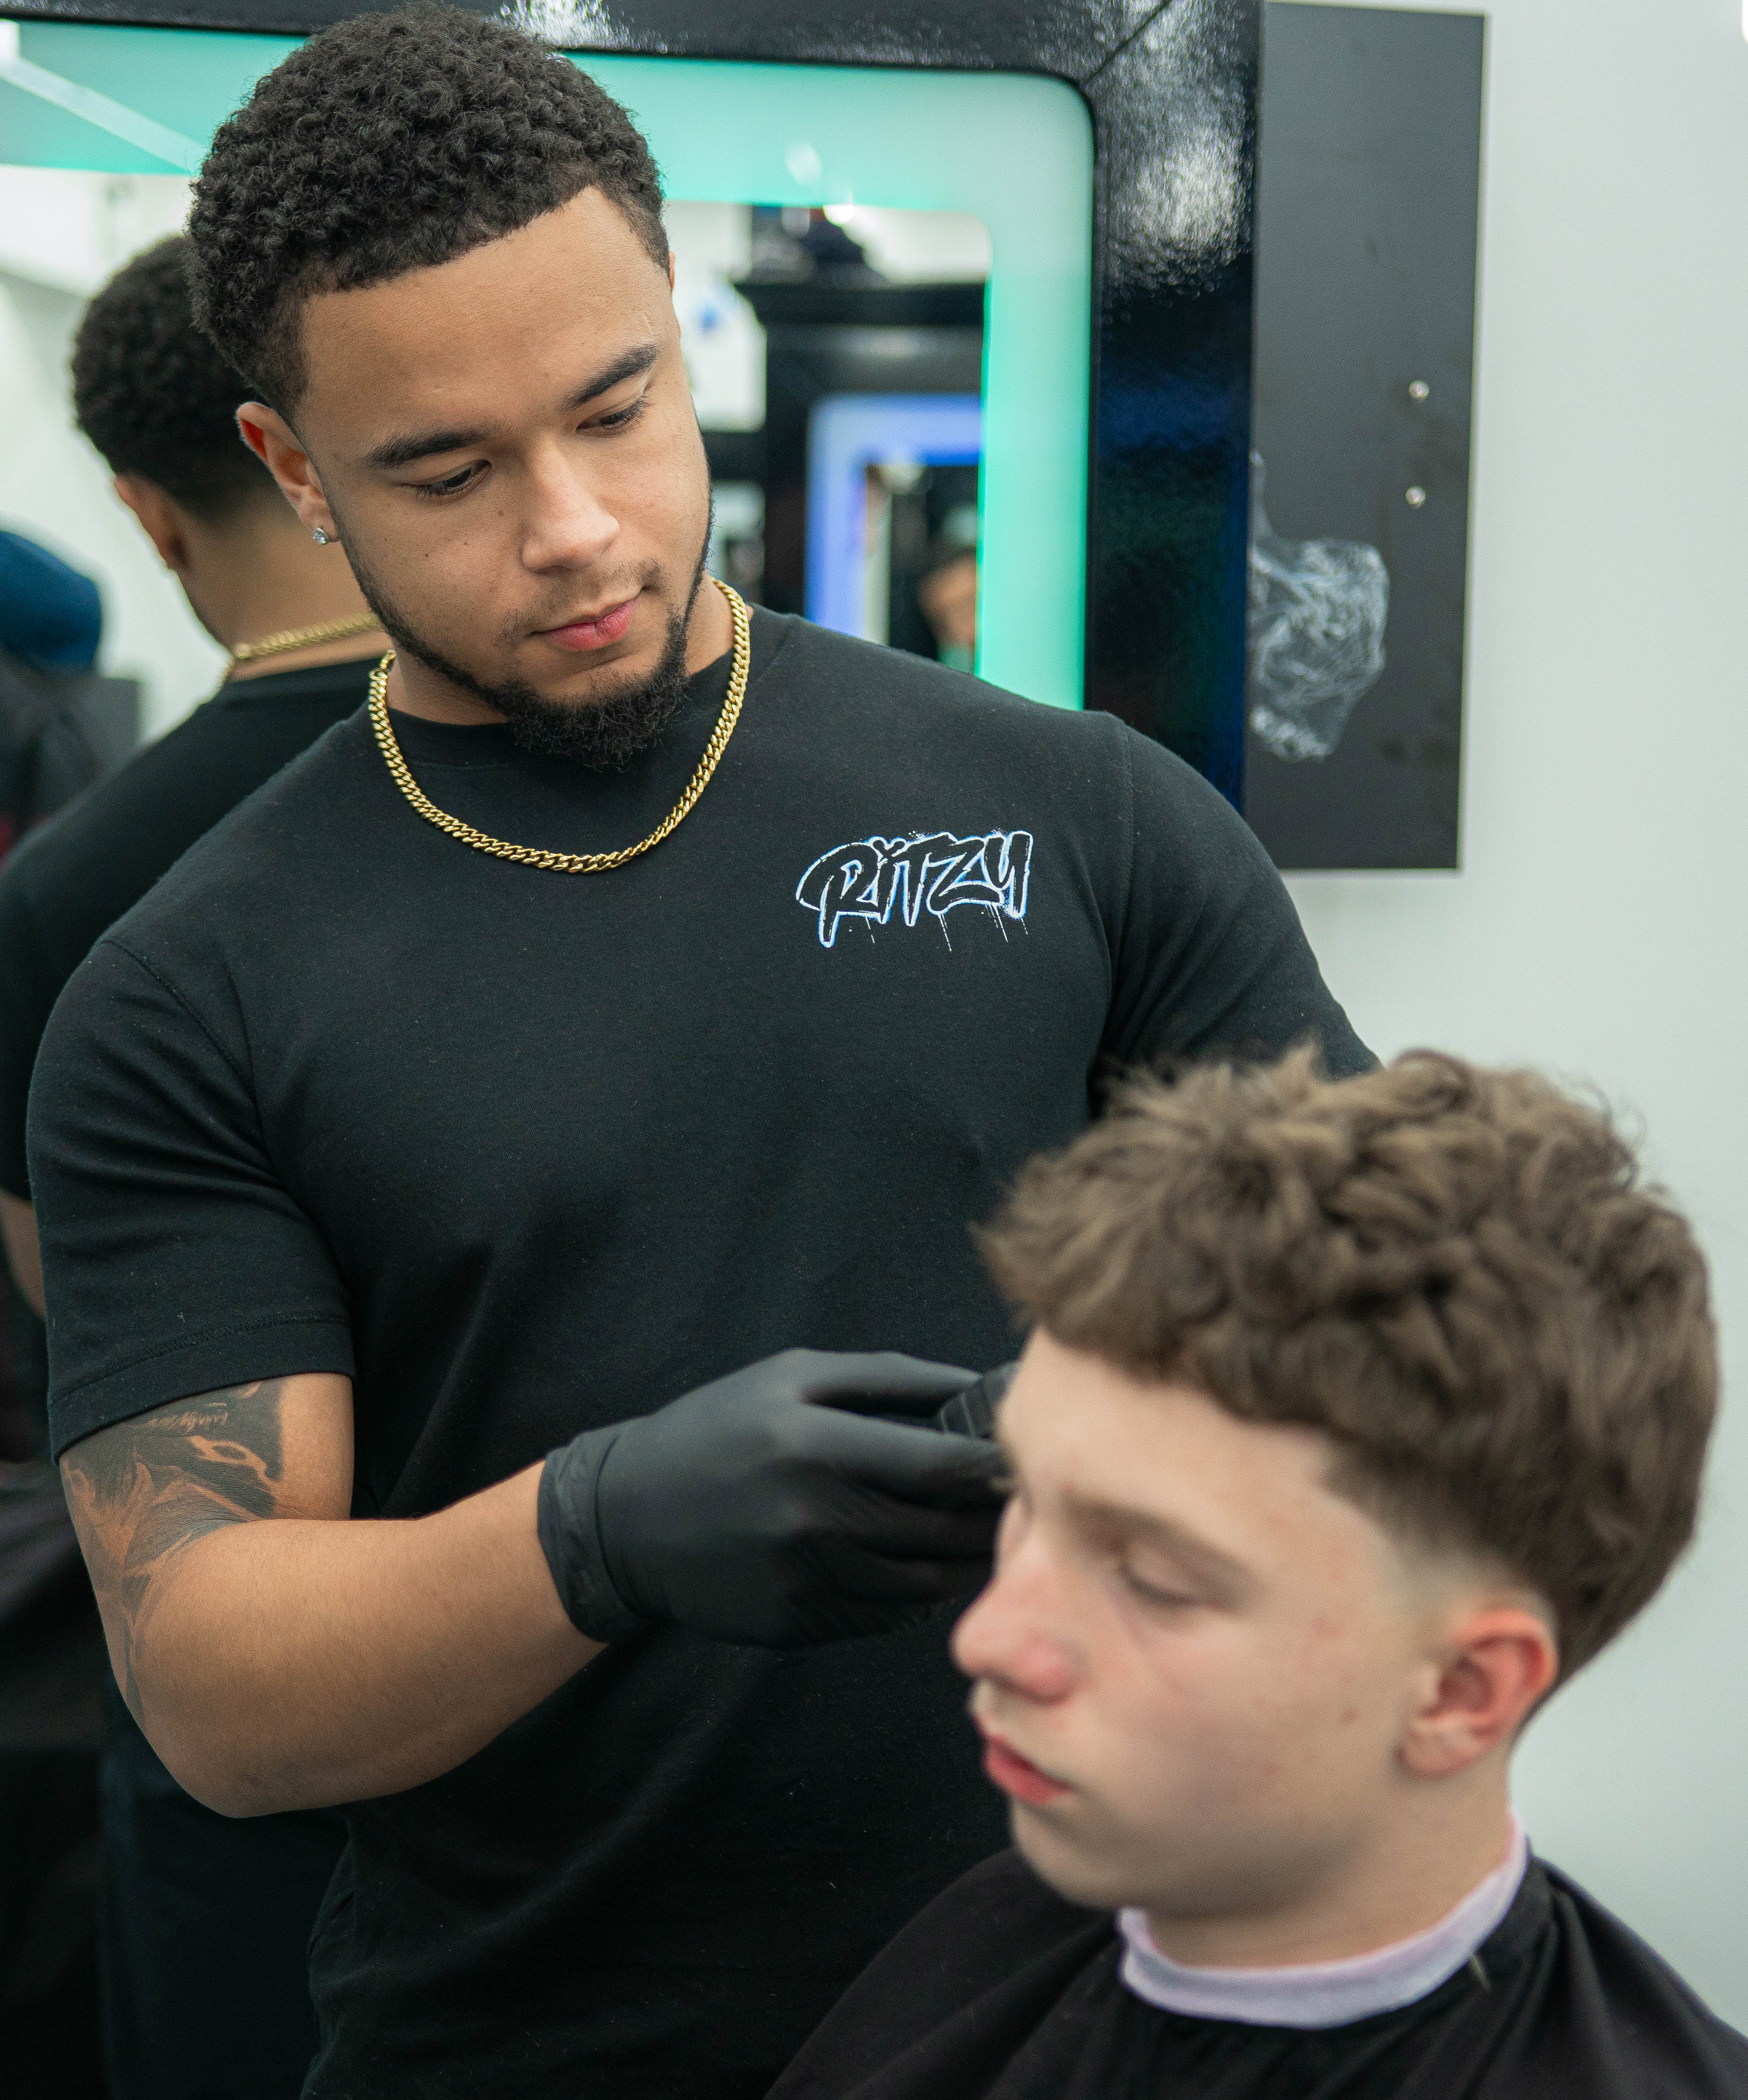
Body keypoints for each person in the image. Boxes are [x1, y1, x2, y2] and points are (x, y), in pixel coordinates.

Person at [31, 10, 1370, 2096]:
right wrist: (596, 1527)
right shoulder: (186, 994)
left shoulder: (1077, 819)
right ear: (293, 471)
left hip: (1088, 2018)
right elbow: (214, 1677)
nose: (572, 526)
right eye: (448, 469)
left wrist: (1167, 1416)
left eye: (617, 405)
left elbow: (1403, 1331)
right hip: (527, 2042)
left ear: (677, 323)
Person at [769, 1048, 1748, 2100]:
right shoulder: (961, 1959)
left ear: (1462, 1689)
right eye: (1020, 1500)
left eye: (1149, 1576)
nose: (988, 1639)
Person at [0, 233, 386, 2098]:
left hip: (251, 1735)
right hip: (647, 1705)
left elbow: (102, 1335)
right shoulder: (617, 787)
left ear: (155, 513)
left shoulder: (63, 896)